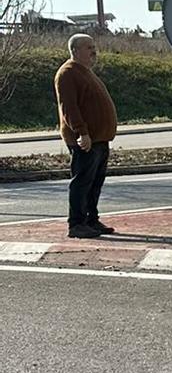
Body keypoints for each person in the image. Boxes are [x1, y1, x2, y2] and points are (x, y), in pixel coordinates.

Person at [54, 33, 119, 239]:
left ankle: (91, 219)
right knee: (82, 181)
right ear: (75, 51)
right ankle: (77, 224)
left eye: (94, 46)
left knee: (95, 181)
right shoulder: (68, 73)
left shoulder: (86, 72)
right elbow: (69, 108)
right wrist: (82, 132)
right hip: (85, 140)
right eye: (89, 47)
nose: (94, 51)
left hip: (99, 139)